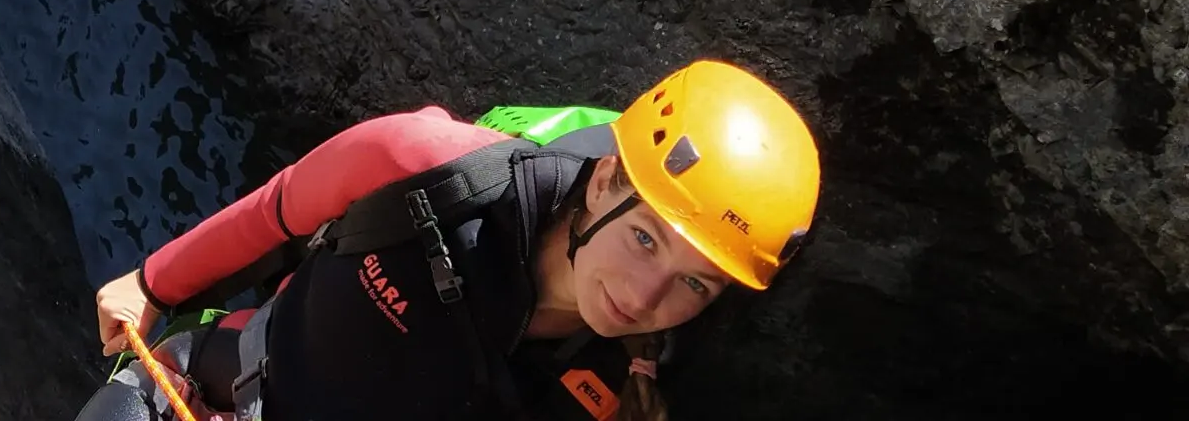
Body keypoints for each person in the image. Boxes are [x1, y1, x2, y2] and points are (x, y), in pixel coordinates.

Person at [79, 59, 822, 421]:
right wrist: (154, 286)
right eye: (646, 241)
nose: (642, 298)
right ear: (603, 182)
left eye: (696, 283)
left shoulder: (642, 368)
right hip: (218, 390)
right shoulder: (429, 169)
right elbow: (282, 211)